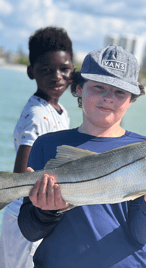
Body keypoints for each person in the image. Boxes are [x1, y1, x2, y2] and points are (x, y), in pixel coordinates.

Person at [18, 45, 146, 268]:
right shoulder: (47, 145)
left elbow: (141, 235)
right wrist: (45, 212)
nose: (109, 98)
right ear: (78, 88)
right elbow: (30, 231)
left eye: (120, 92)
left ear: (131, 99)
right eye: (99, 87)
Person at [0, 27, 74, 268]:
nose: (57, 76)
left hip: (40, 211)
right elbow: (22, 176)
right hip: (26, 215)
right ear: (31, 72)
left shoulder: (60, 112)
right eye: (46, 70)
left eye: (64, 69)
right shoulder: (38, 115)